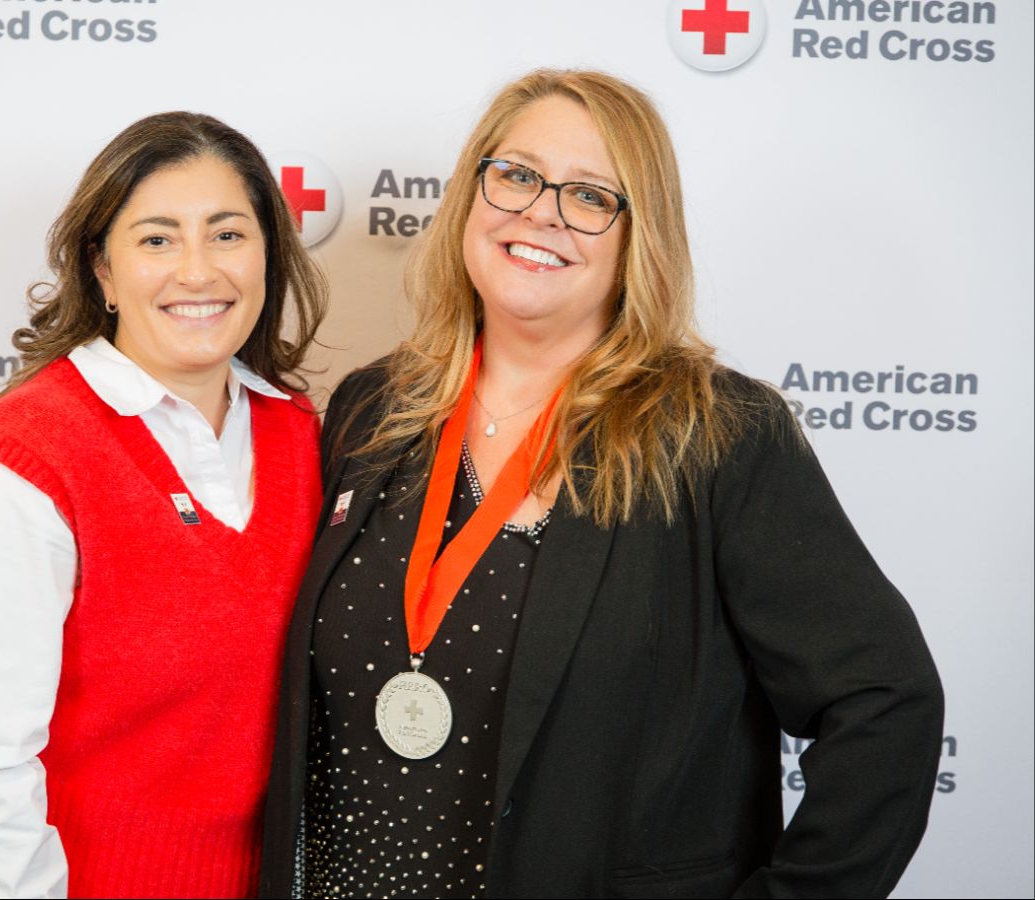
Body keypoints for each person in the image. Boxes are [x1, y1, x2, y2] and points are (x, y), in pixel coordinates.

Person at [259, 70, 944, 899]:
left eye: (589, 195)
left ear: (637, 236)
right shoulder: (376, 407)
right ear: (473, 193)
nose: (540, 212)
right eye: (515, 174)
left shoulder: (716, 434)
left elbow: (884, 702)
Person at [0, 111, 327, 899]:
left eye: (227, 234)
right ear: (101, 270)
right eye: (156, 239)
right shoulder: (29, 458)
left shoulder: (301, 435)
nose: (198, 271)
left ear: (269, 256)